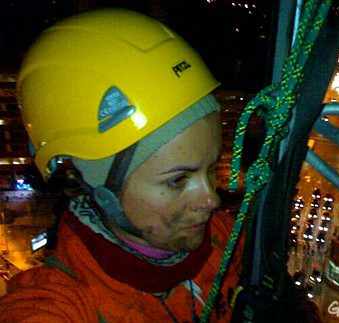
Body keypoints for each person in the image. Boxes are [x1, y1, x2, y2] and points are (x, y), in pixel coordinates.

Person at [0, 9, 242, 322]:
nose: (212, 200)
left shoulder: (225, 238)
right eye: (178, 180)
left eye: (211, 169)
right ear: (93, 184)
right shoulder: (61, 301)